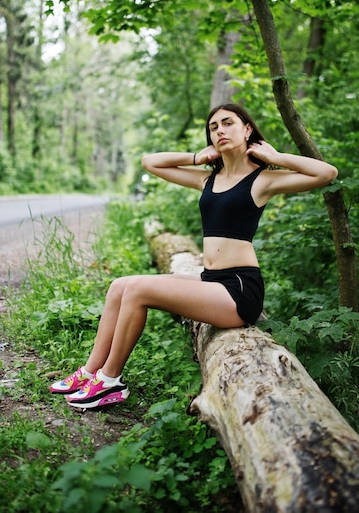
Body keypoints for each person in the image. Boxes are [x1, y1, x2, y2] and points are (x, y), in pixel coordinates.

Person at [49, 102, 338, 409]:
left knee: (137, 290)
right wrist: (197, 157)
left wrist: (276, 157)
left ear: (247, 129)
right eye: (214, 127)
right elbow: (151, 162)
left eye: (228, 123)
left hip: (239, 289)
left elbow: (327, 173)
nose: (220, 131)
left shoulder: (262, 180)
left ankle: (110, 381)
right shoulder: (208, 179)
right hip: (211, 279)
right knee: (120, 285)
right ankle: (90, 371)